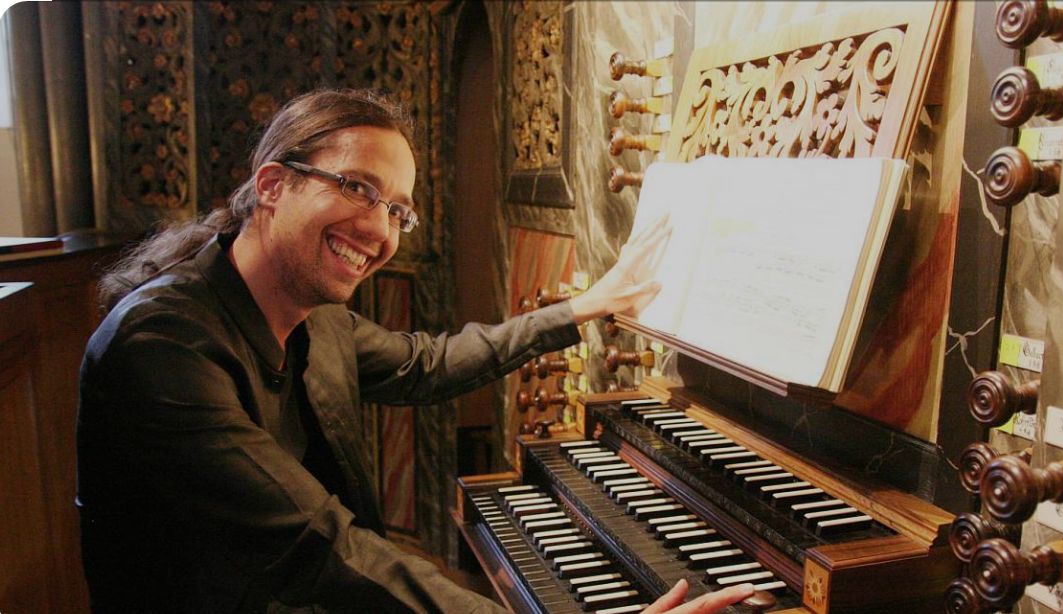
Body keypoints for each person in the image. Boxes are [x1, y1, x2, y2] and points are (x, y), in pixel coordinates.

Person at [77, 88, 758, 613]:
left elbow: (424, 364)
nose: (380, 230)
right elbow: (318, 547)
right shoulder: (162, 345)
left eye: (398, 211)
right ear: (273, 185)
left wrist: (579, 308)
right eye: (357, 188)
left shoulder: (315, 316)